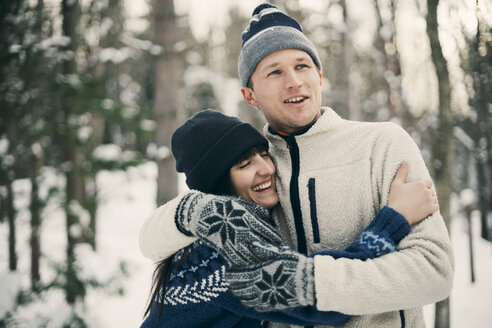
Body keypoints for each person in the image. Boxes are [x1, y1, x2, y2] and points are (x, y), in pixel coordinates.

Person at [141, 3, 454, 327]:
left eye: (303, 66)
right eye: (274, 71)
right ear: (250, 95)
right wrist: (392, 221)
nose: (294, 81)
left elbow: (434, 272)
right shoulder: (231, 225)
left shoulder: (382, 144)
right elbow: (309, 300)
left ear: (319, 76)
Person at [139, 109, 438, 328]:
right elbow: (322, 301)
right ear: (218, 184)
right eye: (245, 164)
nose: (266, 168)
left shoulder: (218, 235)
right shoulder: (220, 250)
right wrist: (393, 219)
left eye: (262, 154)